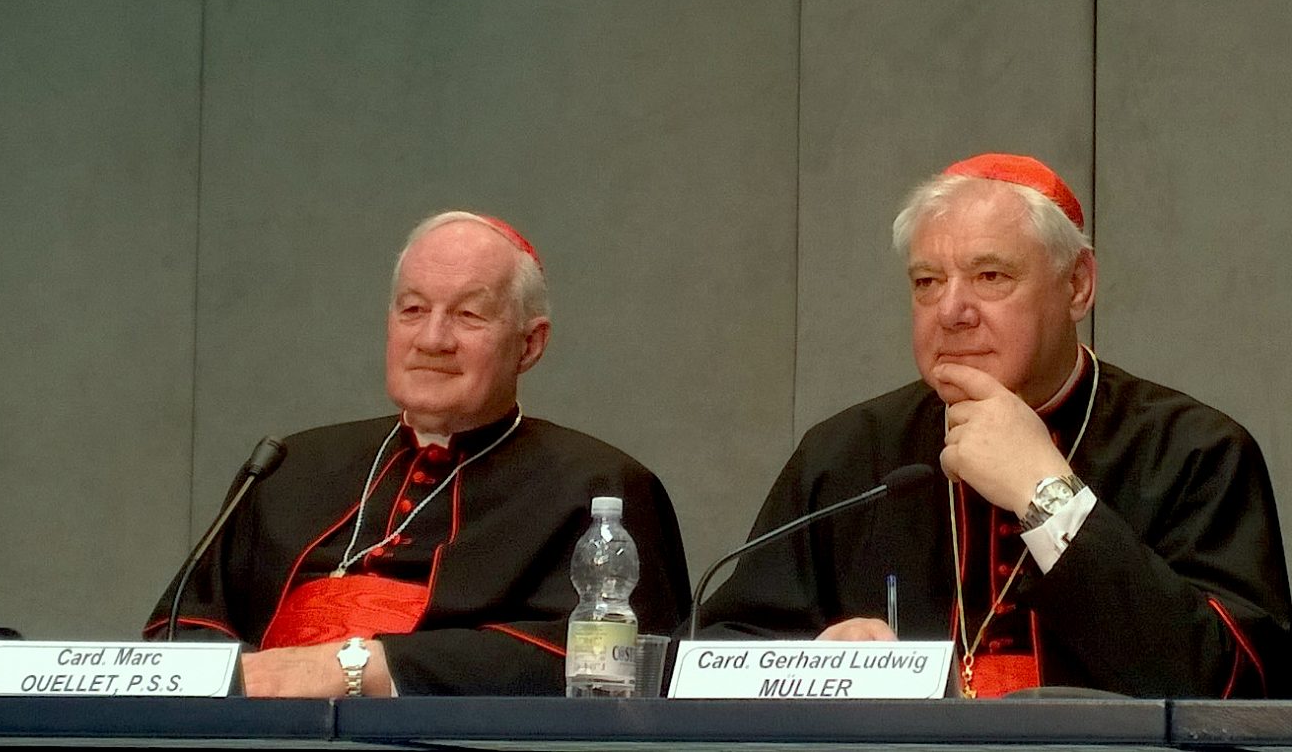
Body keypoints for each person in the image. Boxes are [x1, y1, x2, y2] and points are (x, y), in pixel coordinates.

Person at [697, 153, 1292, 698]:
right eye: (927, 282)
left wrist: (1045, 495)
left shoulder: (1195, 450)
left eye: (991, 277)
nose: (952, 311)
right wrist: (820, 661)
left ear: (1078, 285)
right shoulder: (849, 451)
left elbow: (1237, 686)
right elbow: (714, 650)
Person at [145, 211, 691, 697]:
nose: (432, 338)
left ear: (529, 344)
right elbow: (182, 630)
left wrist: (366, 668)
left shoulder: (599, 484)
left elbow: (620, 663)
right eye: (412, 309)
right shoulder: (290, 466)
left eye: (468, 316)